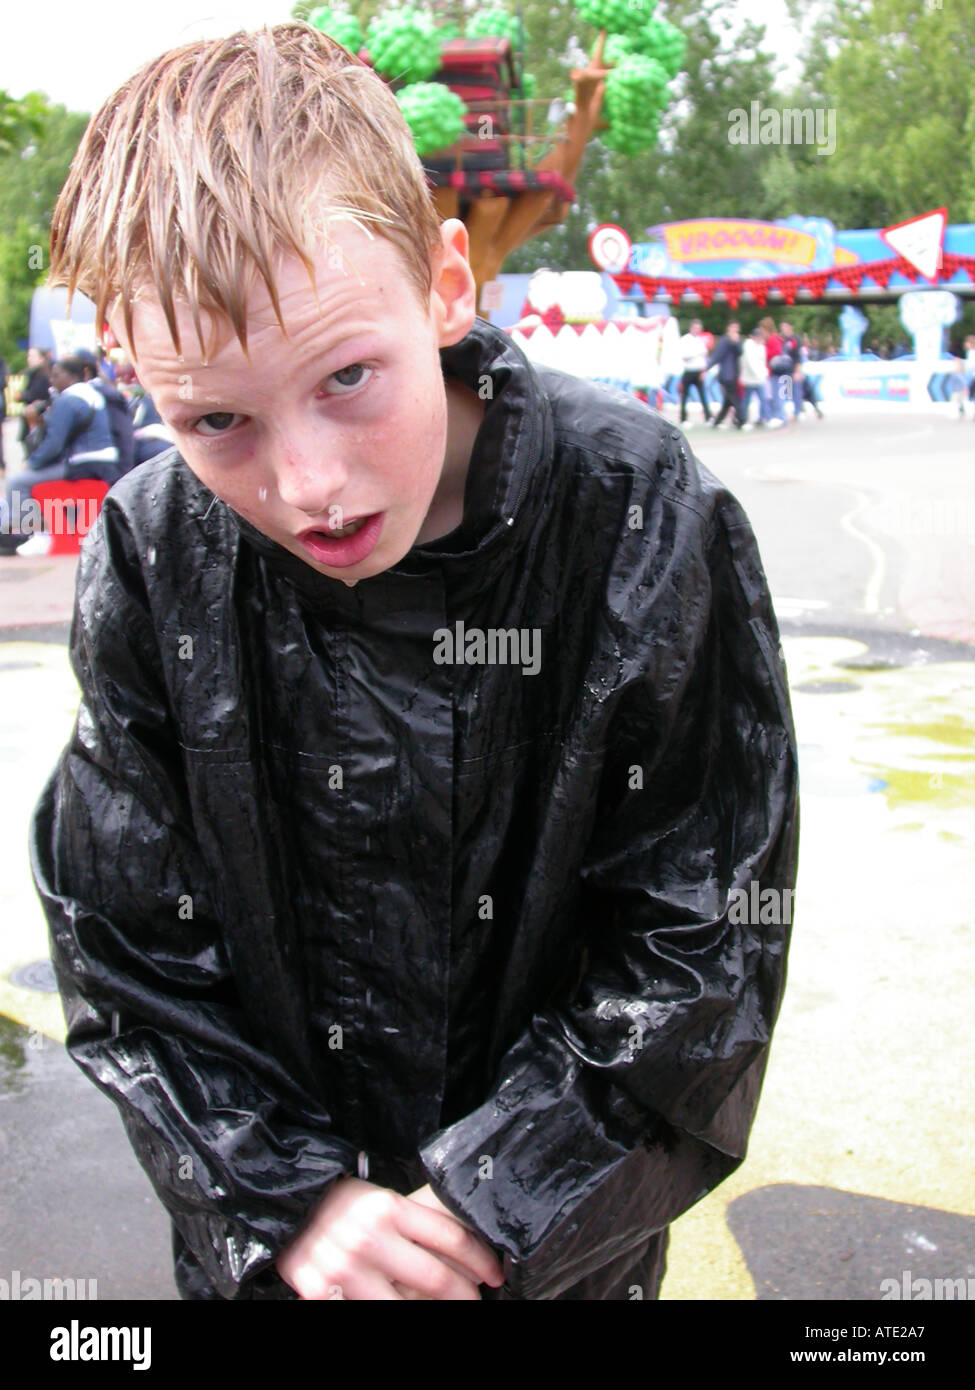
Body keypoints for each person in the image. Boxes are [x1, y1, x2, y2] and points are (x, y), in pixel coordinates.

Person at [30, 24, 798, 1302]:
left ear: (447, 284)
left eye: (347, 378)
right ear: (134, 363)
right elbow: (126, 933)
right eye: (216, 419)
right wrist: (285, 1190)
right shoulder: (154, 547)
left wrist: (501, 1197)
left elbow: (701, 928)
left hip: (550, 1269)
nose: (306, 486)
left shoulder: (638, 513)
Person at [0, 354, 121, 552]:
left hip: (85, 463)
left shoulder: (69, 400)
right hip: (104, 462)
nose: (52, 380)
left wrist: (32, 463)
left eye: (57, 375)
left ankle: (24, 534)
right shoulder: (91, 394)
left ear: (72, 377)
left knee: (18, 482)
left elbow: (54, 444)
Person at [707, 321, 744, 429]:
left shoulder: (737, 340)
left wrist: (736, 342)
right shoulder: (724, 340)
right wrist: (708, 368)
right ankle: (742, 419)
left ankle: (717, 421)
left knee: (728, 400)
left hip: (733, 373)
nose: (735, 330)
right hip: (726, 374)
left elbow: (740, 352)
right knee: (734, 398)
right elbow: (718, 356)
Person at [677, 317, 712, 424]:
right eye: (695, 328)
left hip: (698, 371)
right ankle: (683, 418)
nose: (697, 330)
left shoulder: (700, 340)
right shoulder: (685, 340)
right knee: (685, 396)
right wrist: (695, 353)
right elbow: (684, 356)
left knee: (703, 395)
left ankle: (708, 417)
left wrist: (704, 370)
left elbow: (704, 356)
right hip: (689, 371)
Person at [740, 325, 770, 426]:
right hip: (749, 379)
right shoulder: (748, 346)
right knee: (746, 401)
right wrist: (760, 374)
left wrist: (763, 373)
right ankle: (744, 420)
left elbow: (762, 362)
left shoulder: (761, 347)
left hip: (759, 379)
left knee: (763, 400)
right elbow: (750, 363)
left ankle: (764, 418)